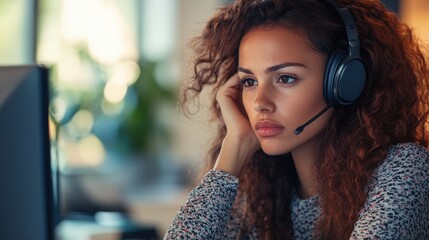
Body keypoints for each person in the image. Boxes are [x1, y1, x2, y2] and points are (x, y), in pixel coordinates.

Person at [164, 0, 429, 239]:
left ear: (344, 82)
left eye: (285, 78)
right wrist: (231, 153)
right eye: (249, 81)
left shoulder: (404, 170)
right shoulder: (257, 193)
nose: (260, 103)